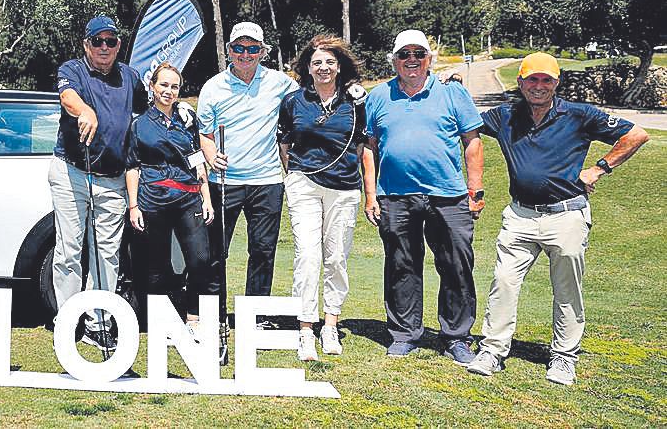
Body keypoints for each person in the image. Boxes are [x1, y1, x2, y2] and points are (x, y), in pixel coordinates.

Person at [467, 53, 649, 385]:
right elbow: (465, 124)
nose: (539, 86)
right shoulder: (505, 116)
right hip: (519, 216)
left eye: (546, 80)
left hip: (566, 216)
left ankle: (564, 356)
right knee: (504, 282)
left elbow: (636, 135)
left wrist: (599, 168)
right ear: (520, 82)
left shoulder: (579, 115)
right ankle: (492, 350)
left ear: (556, 83)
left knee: (566, 288)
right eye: (532, 80)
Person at [363, 29, 485, 364]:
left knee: (457, 264)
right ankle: (404, 334)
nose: (412, 60)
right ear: (395, 60)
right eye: (404, 55)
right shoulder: (378, 96)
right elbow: (369, 149)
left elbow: (472, 141)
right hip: (395, 196)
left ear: (429, 59)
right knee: (402, 265)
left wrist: (476, 190)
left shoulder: (452, 93)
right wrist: (371, 194)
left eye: (419, 54)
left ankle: (457, 336)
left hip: (448, 195)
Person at [49, 16, 148, 351]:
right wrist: (86, 112)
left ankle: (98, 324)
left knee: (107, 255)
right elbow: (67, 99)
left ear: (119, 45)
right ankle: (66, 320)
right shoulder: (73, 69)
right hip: (72, 172)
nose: (104, 47)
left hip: (114, 178)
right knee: (69, 251)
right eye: (97, 41)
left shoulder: (131, 77)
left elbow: (145, 114)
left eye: (110, 41)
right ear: (86, 45)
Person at [196, 21, 299, 330]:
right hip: (224, 182)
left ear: (262, 52)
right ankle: (215, 314)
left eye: (252, 48)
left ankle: (255, 316)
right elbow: (205, 134)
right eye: (239, 48)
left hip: (267, 181)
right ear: (229, 51)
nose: (245, 54)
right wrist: (212, 157)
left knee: (263, 250)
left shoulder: (281, 83)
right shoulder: (213, 87)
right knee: (216, 252)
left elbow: (311, 93)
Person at [277, 34, 370, 360]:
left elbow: (361, 146)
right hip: (304, 185)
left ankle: (330, 324)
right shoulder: (293, 101)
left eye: (330, 62)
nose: (323, 67)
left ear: (339, 65)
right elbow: (285, 145)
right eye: (317, 62)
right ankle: (305, 328)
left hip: (343, 189)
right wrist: (297, 176)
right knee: (308, 255)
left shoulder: (355, 101)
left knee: (336, 258)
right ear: (307, 67)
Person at [125, 62, 217, 335]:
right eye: (163, 85)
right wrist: (133, 205)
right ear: (152, 87)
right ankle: (160, 322)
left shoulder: (187, 122)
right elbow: (133, 167)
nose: (168, 90)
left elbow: (198, 161)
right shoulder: (139, 125)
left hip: (189, 198)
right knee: (156, 266)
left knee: (200, 259)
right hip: (153, 200)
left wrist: (207, 198)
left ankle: (193, 318)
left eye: (174, 86)